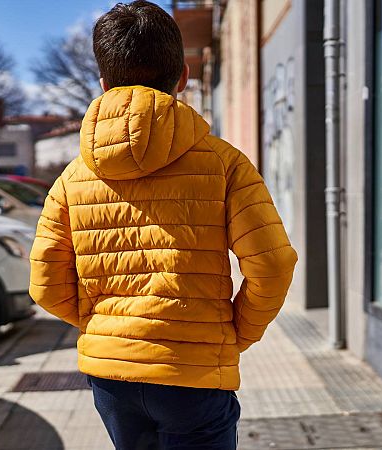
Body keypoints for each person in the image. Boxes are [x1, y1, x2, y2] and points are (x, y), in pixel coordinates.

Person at [28, 2, 298, 449]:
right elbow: (273, 265)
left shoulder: (72, 179)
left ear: (103, 82)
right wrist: (233, 333)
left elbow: (44, 284)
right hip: (192, 376)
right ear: (184, 76)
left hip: (111, 376)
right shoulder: (225, 164)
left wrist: (107, 327)